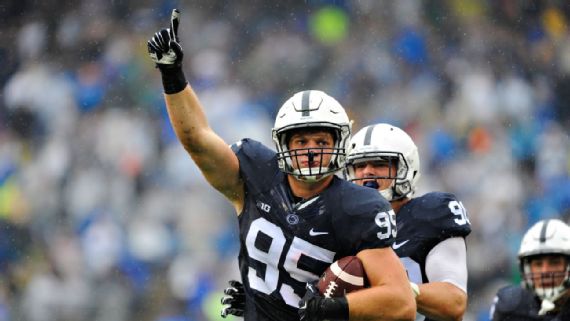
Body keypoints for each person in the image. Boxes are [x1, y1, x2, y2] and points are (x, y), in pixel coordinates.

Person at [147, 9, 416, 321]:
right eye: (301, 142)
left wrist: (335, 308)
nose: (311, 152)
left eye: (321, 142)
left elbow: (401, 304)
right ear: (283, 145)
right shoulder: (256, 172)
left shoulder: (358, 208)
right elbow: (197, 138)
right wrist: (172, 74)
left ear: (340, 145)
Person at [344, 123, 471, 321]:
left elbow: (454, 300)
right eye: (359, 165)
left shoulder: (430, 213)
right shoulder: (342, 226)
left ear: (405, 168)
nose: (366, 172)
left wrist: (398, 291)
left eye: (378, 163)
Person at [490, 219, 570, 321]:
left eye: (554, 263)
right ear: (527, 268)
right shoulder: (511, 306)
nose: (545, 271)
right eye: (538, 264)